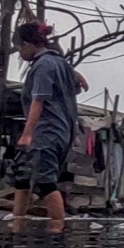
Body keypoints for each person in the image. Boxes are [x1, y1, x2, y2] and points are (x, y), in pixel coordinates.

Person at [8, 21, 81, 225]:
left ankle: (57, 227)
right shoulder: (60, 62)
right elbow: (80, 85)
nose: (20, 54)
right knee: (21, 173)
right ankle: (18, 219)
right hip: (61, 130)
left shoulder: (43, 65)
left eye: (20, 49)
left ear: (27, 44)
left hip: (47, 130)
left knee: (45, 181)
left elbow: (38, 101)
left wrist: (27, 133)